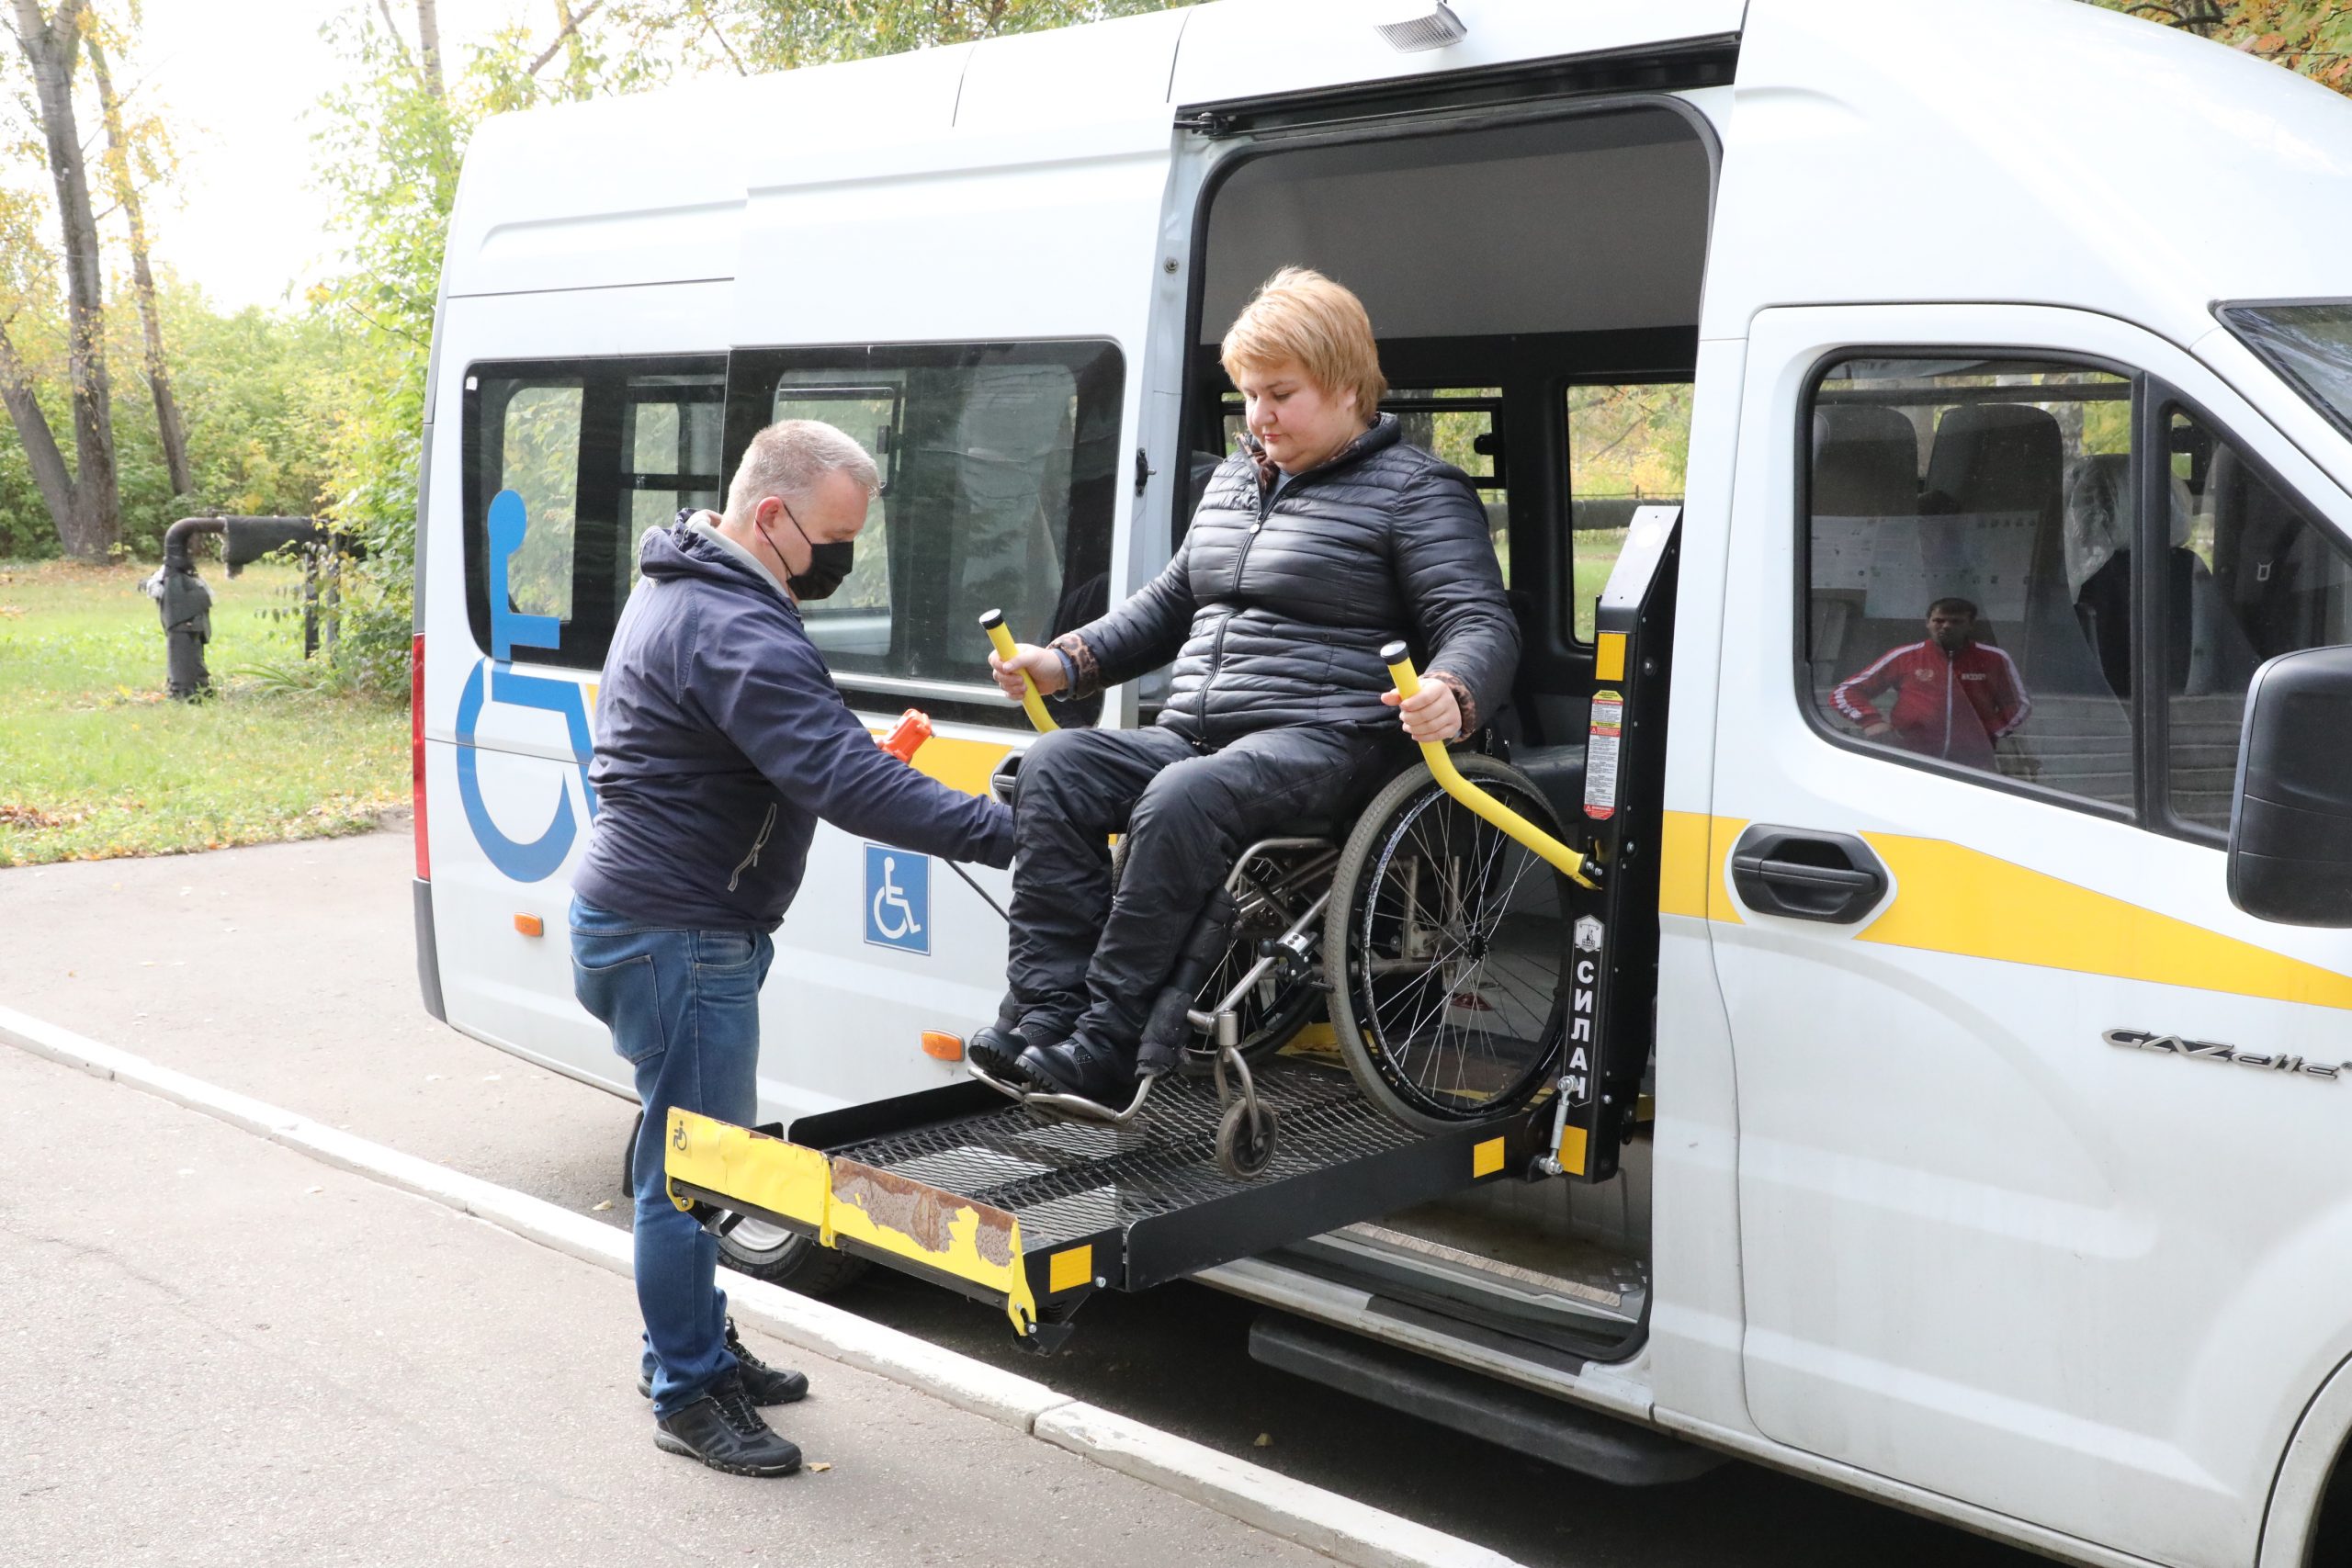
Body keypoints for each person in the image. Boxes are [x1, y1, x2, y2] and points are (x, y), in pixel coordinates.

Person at [570, 420, 1014, 1478]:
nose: (841, 564)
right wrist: (1020, 834)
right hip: (679, 939)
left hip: (659, 925)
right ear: (769, 518)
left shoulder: (695, 585)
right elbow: (845, 787)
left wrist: (842, 758)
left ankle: (688, 1346)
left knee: (681, 1156)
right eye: (832, 542)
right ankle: (686, 1390)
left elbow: (767, 750)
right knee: (689, 1178)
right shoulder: (730, 623)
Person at [970, 266, 1518, 1107]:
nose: (1258, 418)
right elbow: (1167, 607)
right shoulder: (1234, 481)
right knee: (1058, 767)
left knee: (1185, 794)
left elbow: (1480, 621)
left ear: (1345, 385)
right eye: (1249, 396)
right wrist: (1067, 658)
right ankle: (1046, 1015)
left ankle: (1110, 1045)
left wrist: (1454, 689)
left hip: (1329, 744)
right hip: (1202, 732)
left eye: (1279, 394)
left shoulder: (1418, 492)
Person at [1830, 595, 2030, 770]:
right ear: (1927, 623)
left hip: (1975, 765)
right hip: (1911, 759)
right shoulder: (1905, 656)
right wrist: (1870, 721)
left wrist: (1988, 732)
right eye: (1939, 620)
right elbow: (1846, 691)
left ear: (1971, 624)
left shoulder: (1994, 658)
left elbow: (2019, 703)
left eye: (1956, 621)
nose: (1946, 626)